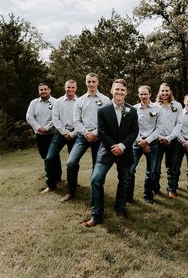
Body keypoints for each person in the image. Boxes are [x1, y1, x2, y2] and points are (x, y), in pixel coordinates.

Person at [81, 78, 139, 227]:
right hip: (106, 150)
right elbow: (101, 131)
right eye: (117, 89)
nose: (119, 92)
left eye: (122, 90)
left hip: (125, 151)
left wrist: (122, 146)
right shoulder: (103, 110)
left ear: (126, 92)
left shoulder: (132, 111)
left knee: (125, 180)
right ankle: (96, 215)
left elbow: (134, 132)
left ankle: (120, 208)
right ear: (112, 91)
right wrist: (114, 146)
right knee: (96, 179)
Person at [60, 73, 110, 202]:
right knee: (71, 162)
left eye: (93, 81)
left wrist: (95, 133)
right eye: (89, 81)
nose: (91, 84)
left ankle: (96, 193)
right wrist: (86, 133)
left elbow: (108, 121)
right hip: (82, 136)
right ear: (85, 82)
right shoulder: (80, 100)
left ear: (98, 82)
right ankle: (71, 191)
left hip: (99, 137)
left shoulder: (105, 100)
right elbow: (76, 120)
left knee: (97, 166)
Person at [41, 80, 78, 193]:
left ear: (76, 88)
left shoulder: (80, 101)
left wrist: (72, 133)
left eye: (72, 87)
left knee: (73, 162)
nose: (70, 89)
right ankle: (51, 185)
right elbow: (55, 118)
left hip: (75, 134)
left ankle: (72, 186)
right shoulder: (58, 102)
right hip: (60, 133)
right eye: (68, 87)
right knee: (49, 158)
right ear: (64, 88)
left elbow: (82, 120)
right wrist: (64, 132)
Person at [127, 85, 162, 204]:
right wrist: (140, 141)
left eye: (145, 94)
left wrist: (147, 141)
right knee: (130, 169)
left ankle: (148, 196)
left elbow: (159, 128)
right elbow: (132, 128)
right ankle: (128, 197)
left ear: (150, 94)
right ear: (138, 95)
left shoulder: (158, 108)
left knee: (151, 171)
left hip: (152, 143)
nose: (143, 96)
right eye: (141, 94)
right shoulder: (134, 108)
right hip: (137, 143)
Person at [26, 83, 60, 183]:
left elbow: (57, 117)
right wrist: (38, 128)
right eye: (41, 90)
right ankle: (55, 177)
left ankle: (51, 179)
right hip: (39, 135)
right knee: (45, 156)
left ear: (49, 90)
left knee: (52, 156)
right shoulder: (34, 103)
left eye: (45, 89)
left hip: (53, 134)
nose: (43, 91)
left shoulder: (56, 102)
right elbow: (29, 117)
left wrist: (46, 128)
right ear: (38, 91)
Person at [154, 83, 183, 198]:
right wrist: (161, 138)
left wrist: (169, 138)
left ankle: (172, 189)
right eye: (162, 91)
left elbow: (179, 123)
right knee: (155, 167)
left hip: (173, 141)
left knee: (173, 167)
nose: (165, 93)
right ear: (159, 92)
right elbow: (153, 125)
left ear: (170, 92)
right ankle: (155, 189)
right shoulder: (155, 106)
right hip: (157, 140)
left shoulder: (178, 106)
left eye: (167, 91)